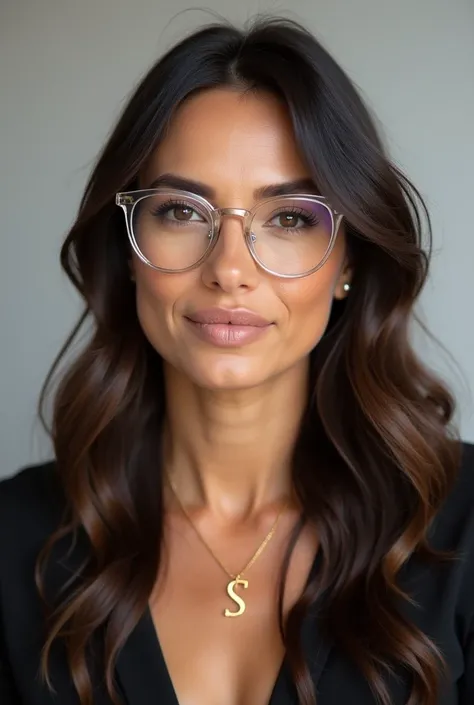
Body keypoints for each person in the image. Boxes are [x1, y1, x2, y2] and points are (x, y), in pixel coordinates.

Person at [0, 15, 472, 705]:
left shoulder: (462, 526)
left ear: (347, 261)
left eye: (288, 218)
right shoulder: (16, 538)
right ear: (130, 249)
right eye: (182, 211)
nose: (229, 270)